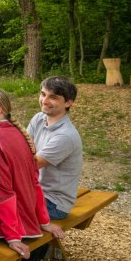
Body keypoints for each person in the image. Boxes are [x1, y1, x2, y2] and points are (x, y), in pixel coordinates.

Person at [0, 87, 65, 259]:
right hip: (27, 216)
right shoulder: (17, 133)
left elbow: (0, 190)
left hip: (7, 225)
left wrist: (13, 237)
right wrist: (43, 221)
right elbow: (34, 182)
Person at [27, 76, 83, 220]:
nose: (44, 101)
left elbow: (29, 165)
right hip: (35, 190)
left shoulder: (65, 136)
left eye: (53, 97)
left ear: (68, 102)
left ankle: (41, 242)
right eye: (43, 94)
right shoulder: (38, 118)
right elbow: (23, 149)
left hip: (54, 203)